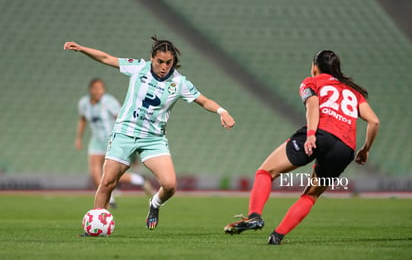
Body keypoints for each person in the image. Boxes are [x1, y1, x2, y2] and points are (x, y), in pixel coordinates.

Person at [64, 36, 235, 232]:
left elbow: (203, 100)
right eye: (160, 61)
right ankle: (94, 228)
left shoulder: (179, 82)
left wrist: (222, 111)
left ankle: (155, 203)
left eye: (168, 63)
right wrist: (81, 48)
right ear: (151, 58)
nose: (164, 66)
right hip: (125, 133)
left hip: (153, 139)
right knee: (107, 182)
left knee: (170, 185)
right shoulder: (139, 68)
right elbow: (106, 58)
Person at [223, 50, 379, 245]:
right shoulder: (353, 92)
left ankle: (254, 216)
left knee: (265, 172)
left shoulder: (311, 81)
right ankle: (277, 236)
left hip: (320, 133)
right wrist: (365, 149)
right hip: (345, 148)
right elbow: (374, 121)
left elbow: (313, 105)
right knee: (311, 195)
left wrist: (311, 135)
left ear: (315, 67)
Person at [75, 78, 154, 208]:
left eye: (101, 88)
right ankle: (109, 199)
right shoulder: (84, 103)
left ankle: (139, 180)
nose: (99, 91)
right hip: (96, 140)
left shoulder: (109, 101)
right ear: (91, 90)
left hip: (111, 138)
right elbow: (83, 119)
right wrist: (78, 138)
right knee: (95, 173)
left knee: (111, 174)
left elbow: (121, 117)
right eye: (96, 88)